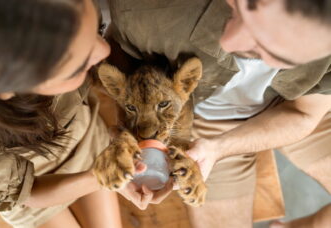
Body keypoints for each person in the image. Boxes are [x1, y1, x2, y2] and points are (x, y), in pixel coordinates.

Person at [105, 0, 331, 227]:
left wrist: (223, 147)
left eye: (262, 45)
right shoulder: (146, 10)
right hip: (203, 122)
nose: (228, 41)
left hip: (294, 104)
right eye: (240, 13)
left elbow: (303, 114)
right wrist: (125, 140)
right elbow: (120, 63)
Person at [0, 0, 123, 227]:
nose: (105, 50)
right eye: (78, 67)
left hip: (85, 142)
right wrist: (108, 176)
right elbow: (30, 193)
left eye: (99, 26)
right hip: (28, 188)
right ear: (4, 90)